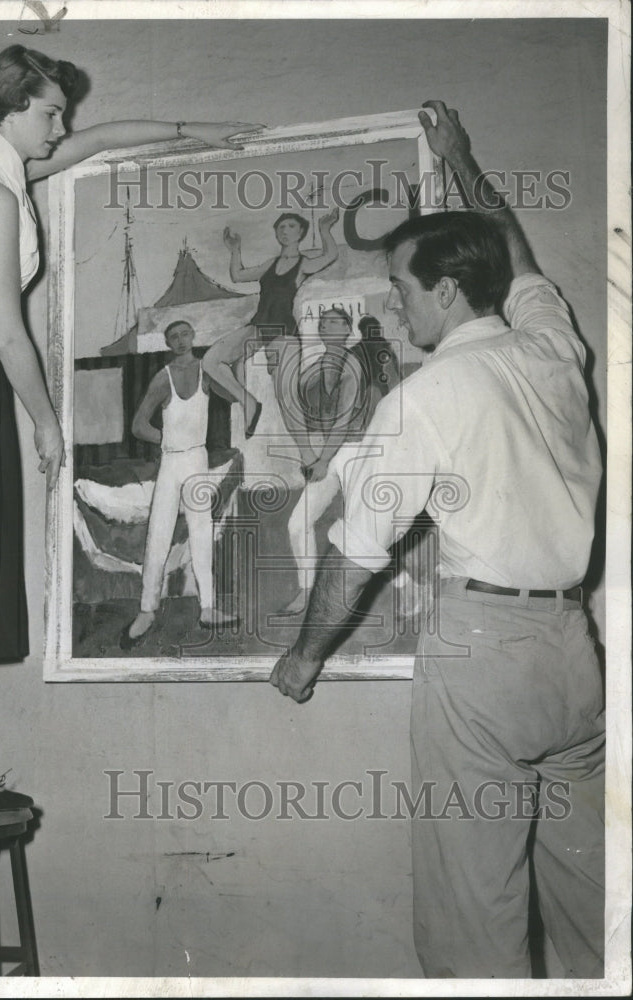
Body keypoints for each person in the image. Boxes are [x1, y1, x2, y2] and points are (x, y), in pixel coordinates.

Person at [0, 43, 258, 811]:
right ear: (7, 108)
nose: (61, 124)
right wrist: (46, 424)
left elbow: (99, 141)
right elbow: (7, 328)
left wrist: (191, 130)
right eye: (49, 111)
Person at [270, 101, 604, 978]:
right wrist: (460, 157)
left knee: (472, 918)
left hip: (484, 659)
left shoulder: (426, 395)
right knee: (590, 912)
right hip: (576, 658)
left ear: (446, 290)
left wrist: (304, 658)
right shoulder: (551, 345)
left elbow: (353, 554)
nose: (393, 301)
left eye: (403, 288)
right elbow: (515, 250)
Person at [121, 320, 240, 648]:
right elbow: (138, 425)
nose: (180, 340)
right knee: (158, 535)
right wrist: (167, 439)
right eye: (173, 337)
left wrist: (234, 360)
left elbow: (234, 395)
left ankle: (208, 608)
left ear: (193, 336)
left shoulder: (206, 371)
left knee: (202, 534)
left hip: (197, 461)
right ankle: (147, 610)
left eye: (184, 334)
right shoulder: (163, 377)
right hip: (171, 462)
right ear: (168, 343)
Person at [282, 308, 398, 614]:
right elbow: (304, 414)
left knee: (370, 526)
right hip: (329, 453)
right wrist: (310, 455)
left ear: (348, 329)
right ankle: (306, 592)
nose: (326, 324)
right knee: (298, 523)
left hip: (356, 451)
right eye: (323, 321)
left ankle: (407, 587)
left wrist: (321, 460)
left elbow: (344, 419)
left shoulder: (353, 364)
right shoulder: (314, 368)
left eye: (335, 321)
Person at [202, 208, 340, 457]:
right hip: (257, 327)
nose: (285, 231)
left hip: (283, 333)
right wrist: (235, 250)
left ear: (300, 232)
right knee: (211, 360)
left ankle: (309, 458)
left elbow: (330, 255)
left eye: (290, 227)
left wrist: (325, 230)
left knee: (288, 400)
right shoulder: (271, 264)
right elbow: (238, 275)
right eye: (281, 227)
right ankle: (248, 402)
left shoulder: (303, 263)